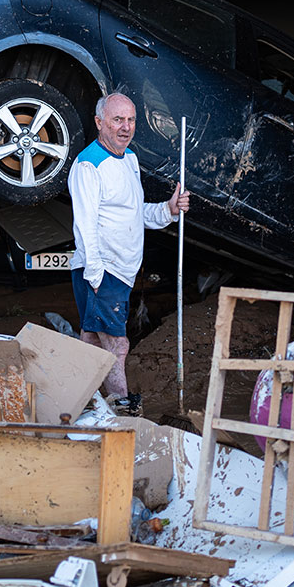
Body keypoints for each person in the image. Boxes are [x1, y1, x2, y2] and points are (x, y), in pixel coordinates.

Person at [68, 92, 189, 415]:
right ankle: (123, 407)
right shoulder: (88, 165)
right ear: (99, 122)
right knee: (116, 344)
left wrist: (169, 209)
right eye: (117, 119)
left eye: (131, 120)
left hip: (120, 271)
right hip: (102, 270)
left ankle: (72, 401)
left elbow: (136, 215)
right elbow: (85, 226)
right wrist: (95, 275)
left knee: (92, 342)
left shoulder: (130, 160)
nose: (125, 127)